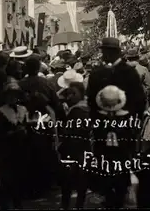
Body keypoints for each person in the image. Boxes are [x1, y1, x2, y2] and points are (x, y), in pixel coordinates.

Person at [90, 85, 137, 208]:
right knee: (119, 182)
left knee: (107, 182)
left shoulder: (98, 117)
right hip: (120, 153)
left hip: (105, 154)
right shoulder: (126, 117)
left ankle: (111, 200)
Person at [86, 37, 147, 119]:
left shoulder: (97, 72)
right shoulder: (129, 71)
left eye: (107, 52)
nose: (106, 55)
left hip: (119, 121)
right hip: (117, 122)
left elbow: (139, 100)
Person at [0, 80, 28, 209]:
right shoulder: (0, 112)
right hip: (6, 150)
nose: (12, 98)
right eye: (9, 95)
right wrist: (12, 133)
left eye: (15, 95)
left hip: (21, 148)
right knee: (7, 178)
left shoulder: (22, 110)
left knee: (19, 176)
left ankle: (18, 202)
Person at [58, 82, 91, 210]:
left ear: (82, 94)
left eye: (74, 93)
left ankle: (68, 205)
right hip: (83, 149)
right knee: (80, 181)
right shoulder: (84, 108)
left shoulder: (78, 111)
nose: (69, 96)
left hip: (76, 149)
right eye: (69, 93)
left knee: (69, 181)